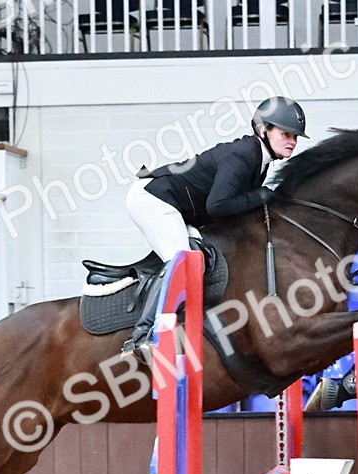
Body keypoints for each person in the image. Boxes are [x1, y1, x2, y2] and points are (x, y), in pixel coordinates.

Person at [121, 96, 308, 360]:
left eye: (296, 137)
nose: (292, 141)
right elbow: (218, 205)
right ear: (262, 130)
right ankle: (142, 337)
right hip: (152, 198)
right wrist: (263, 195)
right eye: (286, 133)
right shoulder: (244, 155)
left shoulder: (259, 159)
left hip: (177, 206)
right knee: (183, 262)